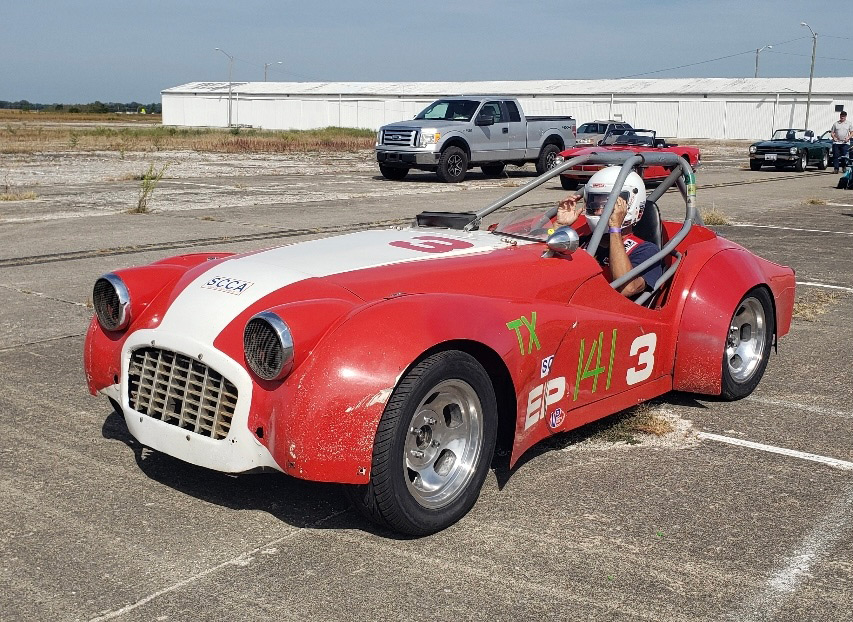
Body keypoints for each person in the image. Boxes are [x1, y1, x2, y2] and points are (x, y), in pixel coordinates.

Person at [555, 167, 662, 298]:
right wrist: (559, 226)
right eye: (595, 204)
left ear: (629, 207)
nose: (599, 211)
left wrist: (615, 228)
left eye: (607, 205)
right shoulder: (582, 242)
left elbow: (627, 288)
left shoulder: (647, 251)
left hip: (613, 314)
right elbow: (547, 267)